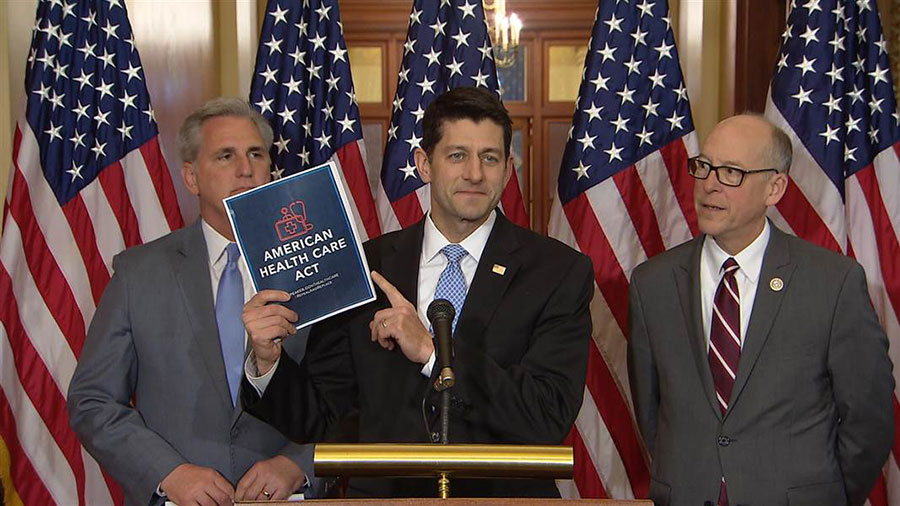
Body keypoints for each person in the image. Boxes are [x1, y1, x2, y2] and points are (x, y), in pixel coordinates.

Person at [240, 86, 594, 497]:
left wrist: (431, 354)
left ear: (508, 168)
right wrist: (267, 362)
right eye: (457, 155)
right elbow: (326, 419)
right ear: (424, 164)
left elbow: (547, 415)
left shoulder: (557, 272)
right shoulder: (367, 269)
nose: (475, 174)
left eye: (490, 158)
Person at [627, 113, 894, 506]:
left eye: (731, 172)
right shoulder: (652, 283)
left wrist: (822, 494)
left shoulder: (832, 282)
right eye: (704, 167)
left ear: (774, 187)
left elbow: (869, 420)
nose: (710, 185)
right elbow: (651, 412)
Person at [68, 98, 322, 506]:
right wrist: (167, 473)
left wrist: (298, 464)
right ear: (191, 176)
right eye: (225, 156)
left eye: (256, 154)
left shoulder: (317, 265)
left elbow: (353, 394)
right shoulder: (138, 273)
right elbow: (93, 399)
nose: (245, 168)